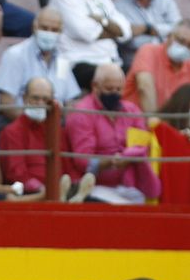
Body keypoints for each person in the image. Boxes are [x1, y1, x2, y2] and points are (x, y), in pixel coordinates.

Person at [66, 62, 159, 205]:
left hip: (131, 184)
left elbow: (143, 145)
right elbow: (83, 161)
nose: (115, 94)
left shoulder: (132, 110)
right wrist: (111, 162)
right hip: (95, 186)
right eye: (109, 89)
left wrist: (128, 157)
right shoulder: (82, 113)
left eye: (119, 89)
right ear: (95, 86)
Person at [0, 77, 91, 199]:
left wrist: (75, 183)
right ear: (25, 98)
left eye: (45, 99)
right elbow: (16, 174)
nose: (40, 103)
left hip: (60, 188)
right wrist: (44, 189)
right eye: (35, 98)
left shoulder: (57, 131)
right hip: (31, 193)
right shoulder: (11, 132)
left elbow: (69, 167)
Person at [0, 7, 81, 117]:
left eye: (54, 30)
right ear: (35, 27)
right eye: (44, 28)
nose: (49, 33)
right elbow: (6, 102)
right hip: (22, 124)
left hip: (55, 125)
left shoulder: (62, 61)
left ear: (60, 32)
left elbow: (69, 100)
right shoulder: (15, 56)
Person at [123, 19, 190, 116]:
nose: (184, 47)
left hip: (169, 126)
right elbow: (145, 87)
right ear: (169, 36)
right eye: (181, 41)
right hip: (133, 123)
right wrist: (155, 123)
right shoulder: (149, 51)